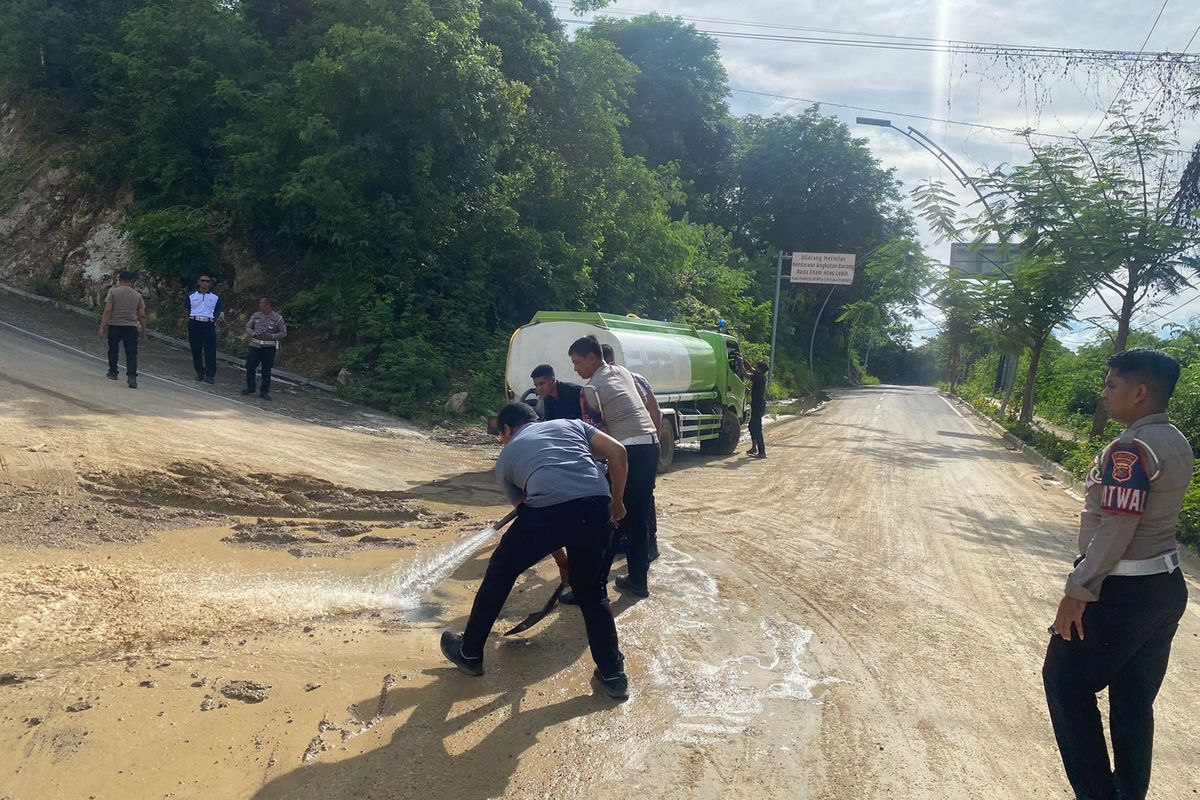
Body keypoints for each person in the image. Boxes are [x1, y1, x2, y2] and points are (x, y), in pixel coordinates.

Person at [1042, 348, 1192, 800]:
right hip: (1165, 586)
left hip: (1122, 590)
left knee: (1064, 680)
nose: (1103, 393)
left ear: (1140, 392)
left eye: (1111, 385)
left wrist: (1079, 589)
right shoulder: (1176, 441)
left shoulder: (1130, 448)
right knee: (1132, 701)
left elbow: (1117, 527)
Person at [439, 402, 631, 700]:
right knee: (592, 591)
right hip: (595, 507)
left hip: (546, 513)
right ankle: (612, 675)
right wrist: (616, 502)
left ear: (507, 429)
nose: (503, 440)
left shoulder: (505, 460)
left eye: (501, 434)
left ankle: (470, 651)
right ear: (535, 419)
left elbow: (535, 516)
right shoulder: (572, 424)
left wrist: (561, 559)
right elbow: (618, 452)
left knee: (501, 570)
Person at [570, 335, 658, 598]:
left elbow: (600, 438)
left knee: (611, 517)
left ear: (592, 358)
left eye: (577, 362)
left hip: (627, 451)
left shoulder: (590, 390)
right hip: (651, 445)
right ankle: (638, 580)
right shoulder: (621, 371)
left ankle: (592, 588)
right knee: (638, 515)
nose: (575, 369)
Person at [98, 270, 147, 389]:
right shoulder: (137, 295)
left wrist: (102, 325)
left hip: (115, 324)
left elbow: (108, 309)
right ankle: (132, 376)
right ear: (132, 281)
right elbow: (142, 314)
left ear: (119, 280)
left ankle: (113, 372)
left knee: (113, 349)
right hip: (131, 326)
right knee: (131, 352)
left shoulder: (113, 292)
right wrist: (143, 330)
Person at [242, 297, 287, 401]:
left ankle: (264, 392)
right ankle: (250, 387)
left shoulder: (277, 318)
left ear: (267, 305)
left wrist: (271, 336)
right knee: (250, 367)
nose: (259, 305)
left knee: (266, 370)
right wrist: (254, 334)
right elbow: (248, 327)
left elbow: (284, 333)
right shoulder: (256, 315)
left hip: (268, 347)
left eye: (261, 303)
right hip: (255, 345)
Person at [185, 274, 222, 384]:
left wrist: (211, 320)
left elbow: (218, 311)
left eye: (207, 281)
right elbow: (186, 309)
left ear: (210, 283)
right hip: (194, 322)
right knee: (196, 348)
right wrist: (192, 318)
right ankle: (199, 372)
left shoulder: (215, 297)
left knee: (210, 349)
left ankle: (210, 374)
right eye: (203, 281)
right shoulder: (191, 295)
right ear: (199, 282)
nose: (205, 283)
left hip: (208, 323)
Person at [746, 360, 768, 458]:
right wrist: (742, 359)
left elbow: (745, 373)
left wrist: (741, 364)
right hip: (757, 406)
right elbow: (750, 368)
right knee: (751, 427)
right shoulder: (760, 376)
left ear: (760, 370)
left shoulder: (759, 378)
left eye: (757, 367)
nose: (755, 368)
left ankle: (762, 452)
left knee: (757, 429)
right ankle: (754, 447)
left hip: (758, 407)